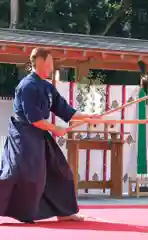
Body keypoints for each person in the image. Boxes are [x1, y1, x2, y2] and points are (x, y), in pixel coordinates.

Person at [0, 47, 99, 223]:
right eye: (50, 62)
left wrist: (88, 116)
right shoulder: (27, 86)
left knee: (59, 170)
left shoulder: (47, 87)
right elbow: (34, 119)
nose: (52, 67)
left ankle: (64, 211)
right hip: (23, 136)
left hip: (39, 134)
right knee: (15, 174)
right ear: (41, 62)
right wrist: (55, 129)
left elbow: (64, 109)